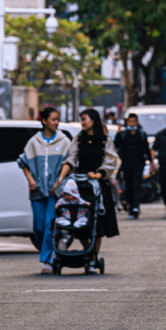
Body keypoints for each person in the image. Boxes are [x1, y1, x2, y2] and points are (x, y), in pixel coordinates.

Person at [56, 108, 119, 271]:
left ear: (94, 120)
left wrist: (98, 175)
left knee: (97, 226)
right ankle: (90, 253)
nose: (82, 122)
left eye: (85, 119)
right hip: (80, 186)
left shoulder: (105, 140)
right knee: (80, 223)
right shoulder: (78, 139)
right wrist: (61, 178)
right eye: (81, 119)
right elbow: (71, 159)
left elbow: (110, 162)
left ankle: (92, 257)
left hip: (98, 185)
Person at [18, 106, 71, 274]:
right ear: (44, 121)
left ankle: (48, 261)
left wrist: (60, 181)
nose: (56, 122)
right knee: (38, 228)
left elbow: (69, 163)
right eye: (53, 119)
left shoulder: (64, 141)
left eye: (57, 119)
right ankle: (54, 246)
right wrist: (30, 180)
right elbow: (23, 162)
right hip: (37, 191)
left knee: (48, 225)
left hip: (54, 192)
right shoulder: (34, 142)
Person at [115, 112, 155, 219]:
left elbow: (147, 150)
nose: (132, 123)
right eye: (130, 121)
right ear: (127, 122)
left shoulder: (142, 135)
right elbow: (116, 146)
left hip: (138, 164)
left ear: (137, 122)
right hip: (126, 165)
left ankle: (136, 207)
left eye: (134, 121)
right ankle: (131, 206)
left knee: (136, 185)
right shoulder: (123, 134)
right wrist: (118, 133)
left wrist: (151, 163)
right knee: (128, 186)